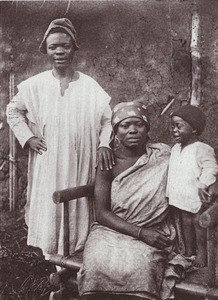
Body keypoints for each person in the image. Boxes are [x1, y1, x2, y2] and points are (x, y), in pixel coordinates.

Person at [6, 18, 114, 258]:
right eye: (53, 46)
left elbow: (107, 120)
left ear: (73, 48)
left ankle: (76, 255)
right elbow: (12, 110)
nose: (59, 51)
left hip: (81, 158)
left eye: (64, 45)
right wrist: (28, 137)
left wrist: (104, 144)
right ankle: (53, 257)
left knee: (77, 202)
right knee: (51, 201)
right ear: (46, 50)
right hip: (49, 158)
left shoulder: (89, 86)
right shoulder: (36, 85)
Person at [78, 101, 183, 300]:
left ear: (147, 128)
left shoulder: (163, 155)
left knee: (141, 266)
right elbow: (101, 213)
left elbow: (194, 162)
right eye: (125, 126)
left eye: (138, 124)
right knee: (97, 264)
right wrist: (140, 233)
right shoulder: (107, 162)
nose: (132, 130)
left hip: (153, 228)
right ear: (116, 131)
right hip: (110, 231)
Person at [167, 104, 218, 267]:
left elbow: (211, 167)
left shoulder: (202, 149)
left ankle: (202, 254)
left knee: (198, 225)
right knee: (185, 224)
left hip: (195, 197)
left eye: (179, 126)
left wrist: (204, 183)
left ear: (194, 129)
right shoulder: (175, 148)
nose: (174, 130)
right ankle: (189, 252)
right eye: (172, 126)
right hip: (180, 196)